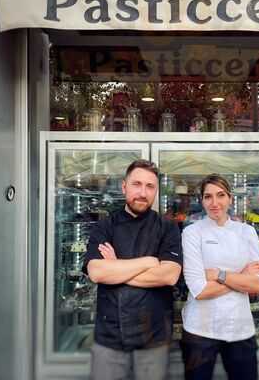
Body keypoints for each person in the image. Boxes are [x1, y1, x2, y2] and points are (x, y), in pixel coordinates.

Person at [83, 159, 182, 380]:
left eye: (150, 186)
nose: (143, 192)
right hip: (109, 338)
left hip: (153, 339)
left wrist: (116, 266)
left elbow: (169, 275)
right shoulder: (105, 226)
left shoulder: (167, 228)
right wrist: (148, 262)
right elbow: (97, 272)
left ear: (156, 190)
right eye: (137, 184)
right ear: (124, 186)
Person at [181, 173, 259, 380]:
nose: (214, 202)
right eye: (208, 196)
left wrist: (219, 275)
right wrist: (241, 277)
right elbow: (200, 291)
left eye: (220, 195)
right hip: (199, 329)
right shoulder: (192, 233)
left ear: (230, 198)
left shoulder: (247, 232)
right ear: (201, 200)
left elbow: (258, 284)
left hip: (240, 328)